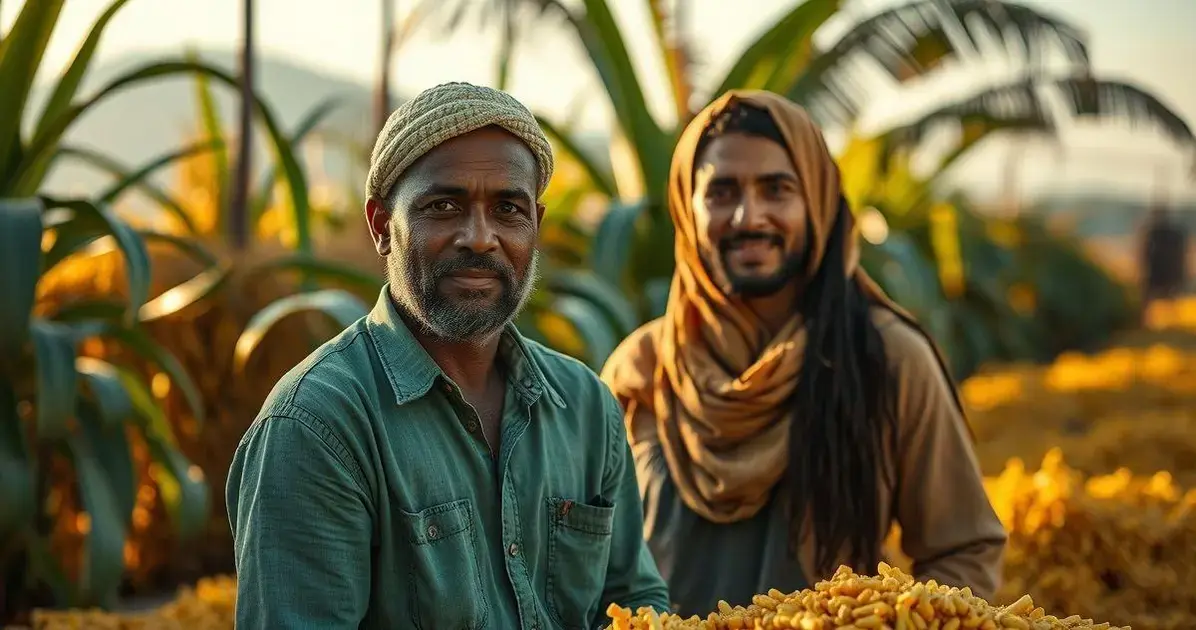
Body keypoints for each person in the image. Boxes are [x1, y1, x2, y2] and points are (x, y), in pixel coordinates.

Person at [227, 82, 669, 629]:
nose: (479, 238)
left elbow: (635, 602)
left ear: (535, 226)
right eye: (443, 206)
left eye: (508, 208)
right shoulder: (317, 426)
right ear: (381, 226)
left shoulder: (584, 407)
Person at [600, 90, 1007, 617]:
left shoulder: (887, 359)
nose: (750, 216)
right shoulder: (641, 370)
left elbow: (964, 551)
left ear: (816, 200)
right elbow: (581, 563)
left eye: (777, 189)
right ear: (686, 206)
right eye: (721, 192)